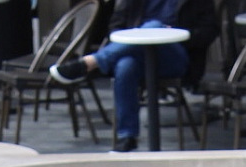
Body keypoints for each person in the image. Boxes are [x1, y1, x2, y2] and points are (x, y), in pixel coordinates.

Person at [49, 0, 201, 153]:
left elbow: (209, 30)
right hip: (138, 55)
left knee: (154, 26)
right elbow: (115, 27)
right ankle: (127, 137)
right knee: (125, 66)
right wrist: (135, 38)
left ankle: (90, 63)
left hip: (174, 57)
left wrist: (176, 33)